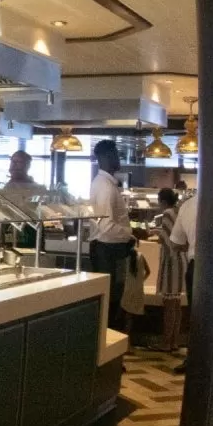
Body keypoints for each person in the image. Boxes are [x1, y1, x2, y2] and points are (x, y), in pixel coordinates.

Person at [87, 139, 134, 331]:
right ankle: (108, 343)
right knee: (110, 303)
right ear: (106, 156)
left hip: (108, 250)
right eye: (116, 154)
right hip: (107, 250)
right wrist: (131, 233)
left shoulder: (104, 183)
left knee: (112, 302)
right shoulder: (105, 187)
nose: (118, 158)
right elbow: (106, 227)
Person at [169, 188, 199, 372]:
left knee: (196, 314)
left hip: (196, 266)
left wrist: (190, 246)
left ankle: (194, 359)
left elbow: (175, 242)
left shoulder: (188, 206)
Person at [153, 187, 186, 350]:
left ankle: (166, 342)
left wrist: (155, 234)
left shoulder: (167, 214)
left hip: (171, 263)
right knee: (177, 305)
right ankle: (174, 341)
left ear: (163, 201)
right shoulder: (178, 211)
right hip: (181, 261)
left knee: (169, 305)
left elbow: (167, 240)